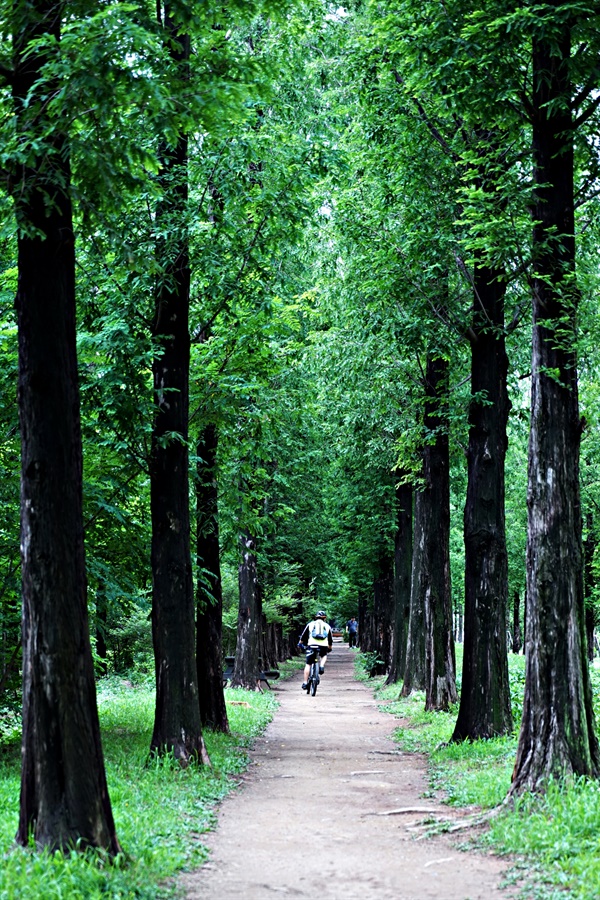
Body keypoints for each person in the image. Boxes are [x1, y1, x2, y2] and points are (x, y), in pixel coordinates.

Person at [298, 611, 333, 691]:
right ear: (325, 618)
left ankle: (305, 682)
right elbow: (330, 639)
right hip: (323, 645)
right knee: (324, 655)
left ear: (316, 617)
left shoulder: (310, 624)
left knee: (308, 664)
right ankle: (321, 666)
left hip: (312, 645)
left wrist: (300, 643)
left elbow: (303, 636)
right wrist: (330, 647)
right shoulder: (327, 626)